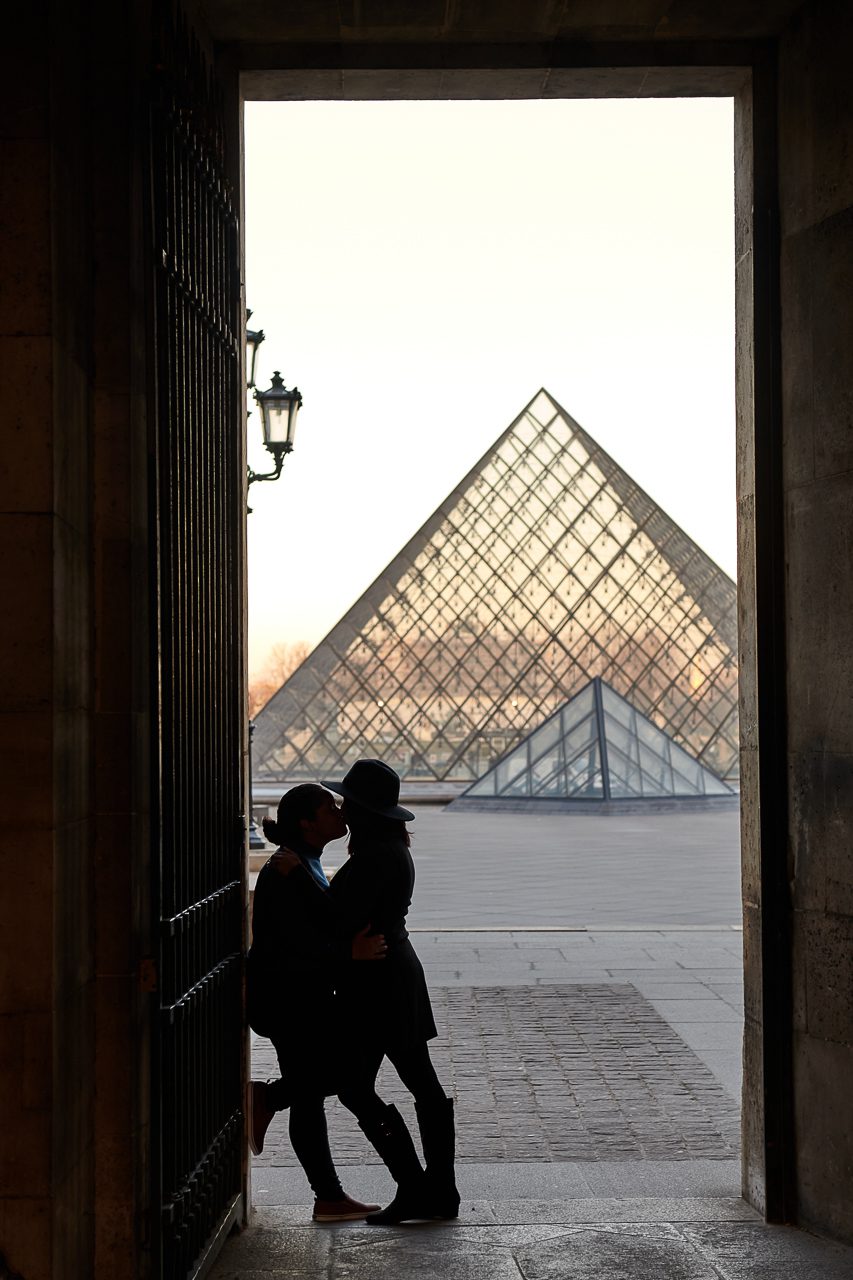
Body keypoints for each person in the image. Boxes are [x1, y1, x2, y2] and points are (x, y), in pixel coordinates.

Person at [311, 758, 460, 1225]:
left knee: (356, 1088)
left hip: (376, 984)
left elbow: (335, 923)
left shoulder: (373, 858)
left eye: (346, 803)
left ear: (361, 810)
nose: (341, 808)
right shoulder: (391, 849)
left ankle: (417, 1187)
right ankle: (439, 1190)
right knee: (422, 1084)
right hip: (397, 974)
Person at [247, 783, 386, 1222]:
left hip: (294, 997)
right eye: (331, 807)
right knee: (344, 1074)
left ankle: (328, 1196)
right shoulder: (286, 868)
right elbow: (294, 946)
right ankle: (268, 1100)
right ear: (308, 823)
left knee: (313, 1091)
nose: (340, 810)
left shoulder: (298, 862)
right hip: (290, 1000)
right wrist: (350, 954)